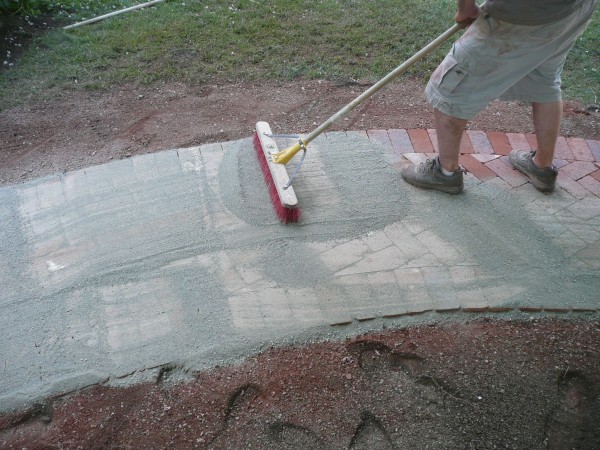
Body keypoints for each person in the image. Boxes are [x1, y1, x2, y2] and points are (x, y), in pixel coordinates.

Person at [400, 0, 598, 194]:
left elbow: (466, 10)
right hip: (573, 9)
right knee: (543, 78)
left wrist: (466, 8)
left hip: (525, 12)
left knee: (449, 87)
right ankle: (542, 167)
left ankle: (446, 172)